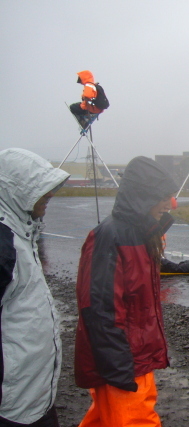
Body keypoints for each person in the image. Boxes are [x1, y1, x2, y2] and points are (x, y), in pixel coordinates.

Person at [74, 156, 179, 426]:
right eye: (164, 197)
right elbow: (100, 309)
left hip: (133, 359)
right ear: (144, 197)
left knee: (103, 419)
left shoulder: (141, 234)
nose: (169, 205)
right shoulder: (110, 237)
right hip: (124, 363)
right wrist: (119, 368)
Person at [0, 148, 69, 426]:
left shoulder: (23, 233)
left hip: (35, 396)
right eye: (42, 188)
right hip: (12, 405)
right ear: (17, 191)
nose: (50, 195)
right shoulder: (5, 245)